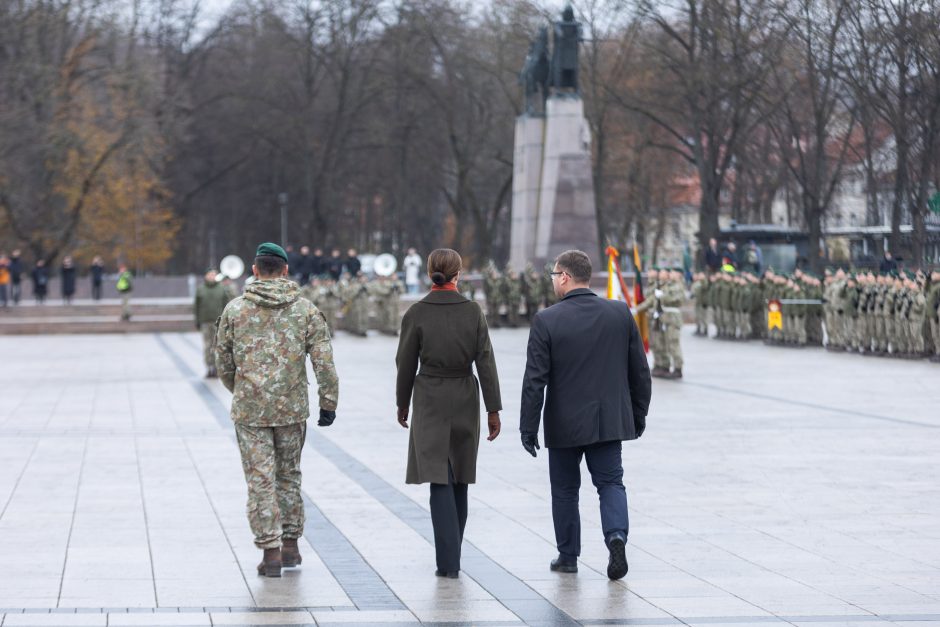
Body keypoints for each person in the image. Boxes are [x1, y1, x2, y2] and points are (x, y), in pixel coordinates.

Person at [520, 250, 651, 581]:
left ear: (564, 276)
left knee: (565, 489)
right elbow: (640, 372)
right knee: (610, 483)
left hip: (564, 423)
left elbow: (535, 380)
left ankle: (568, 556)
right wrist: (638, 415)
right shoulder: (620, 313)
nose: (553, 281)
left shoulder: (547, 320)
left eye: (553, 276)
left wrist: (528, 427)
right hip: (609, 420)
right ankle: (616, 536)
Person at [215, 242, 339, 578]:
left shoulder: (235, 310)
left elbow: (223, 361)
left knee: (260, 480)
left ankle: (270, 552)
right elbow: (324, 361)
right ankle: (291, 546)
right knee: (289, 476)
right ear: (285, 270)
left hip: (250, 411)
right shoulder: (305, 310)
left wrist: (242, 390)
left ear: (254, 271)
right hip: (292, 409)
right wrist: (328, 403)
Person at [396, 248, 502, 578]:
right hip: (465, 394)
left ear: (430, 274)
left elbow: (405, 362)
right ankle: (453, 554)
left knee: (438, 477)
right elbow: (485, 362)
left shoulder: (416, 312)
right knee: (461, 476)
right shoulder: (473, 311)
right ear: (458, 274)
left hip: (429, 396)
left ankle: (448, 562)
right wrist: (493, 409)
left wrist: (402, 402)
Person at [194, 269, 233, 377]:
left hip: (218, 322)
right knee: (207, 345)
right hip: (205, 322)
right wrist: (197, 321)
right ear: (206, 276)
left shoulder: (221, 289)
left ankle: (216, 368)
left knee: (218, 345)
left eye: (214, 275)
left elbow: (226, 305)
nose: (212, 276)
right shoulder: (200, 289)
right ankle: (209, 367)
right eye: (210, 274)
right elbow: (196, 306)